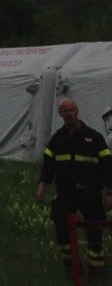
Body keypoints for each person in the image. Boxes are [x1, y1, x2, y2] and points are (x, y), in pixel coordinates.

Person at [36, 98, 112, 280]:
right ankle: (72, 267)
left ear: (77, 111)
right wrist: (42, 185)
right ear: (60, 114)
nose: (69, 114)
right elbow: (48, 165)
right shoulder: (57, 140)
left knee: (95, 230)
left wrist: (110, 192)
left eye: (72, 110)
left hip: (91, 192)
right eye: (65, 111)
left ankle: (96, 271)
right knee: (61, 226)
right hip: (66, 193)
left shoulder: (94, 138)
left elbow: (108, 167)